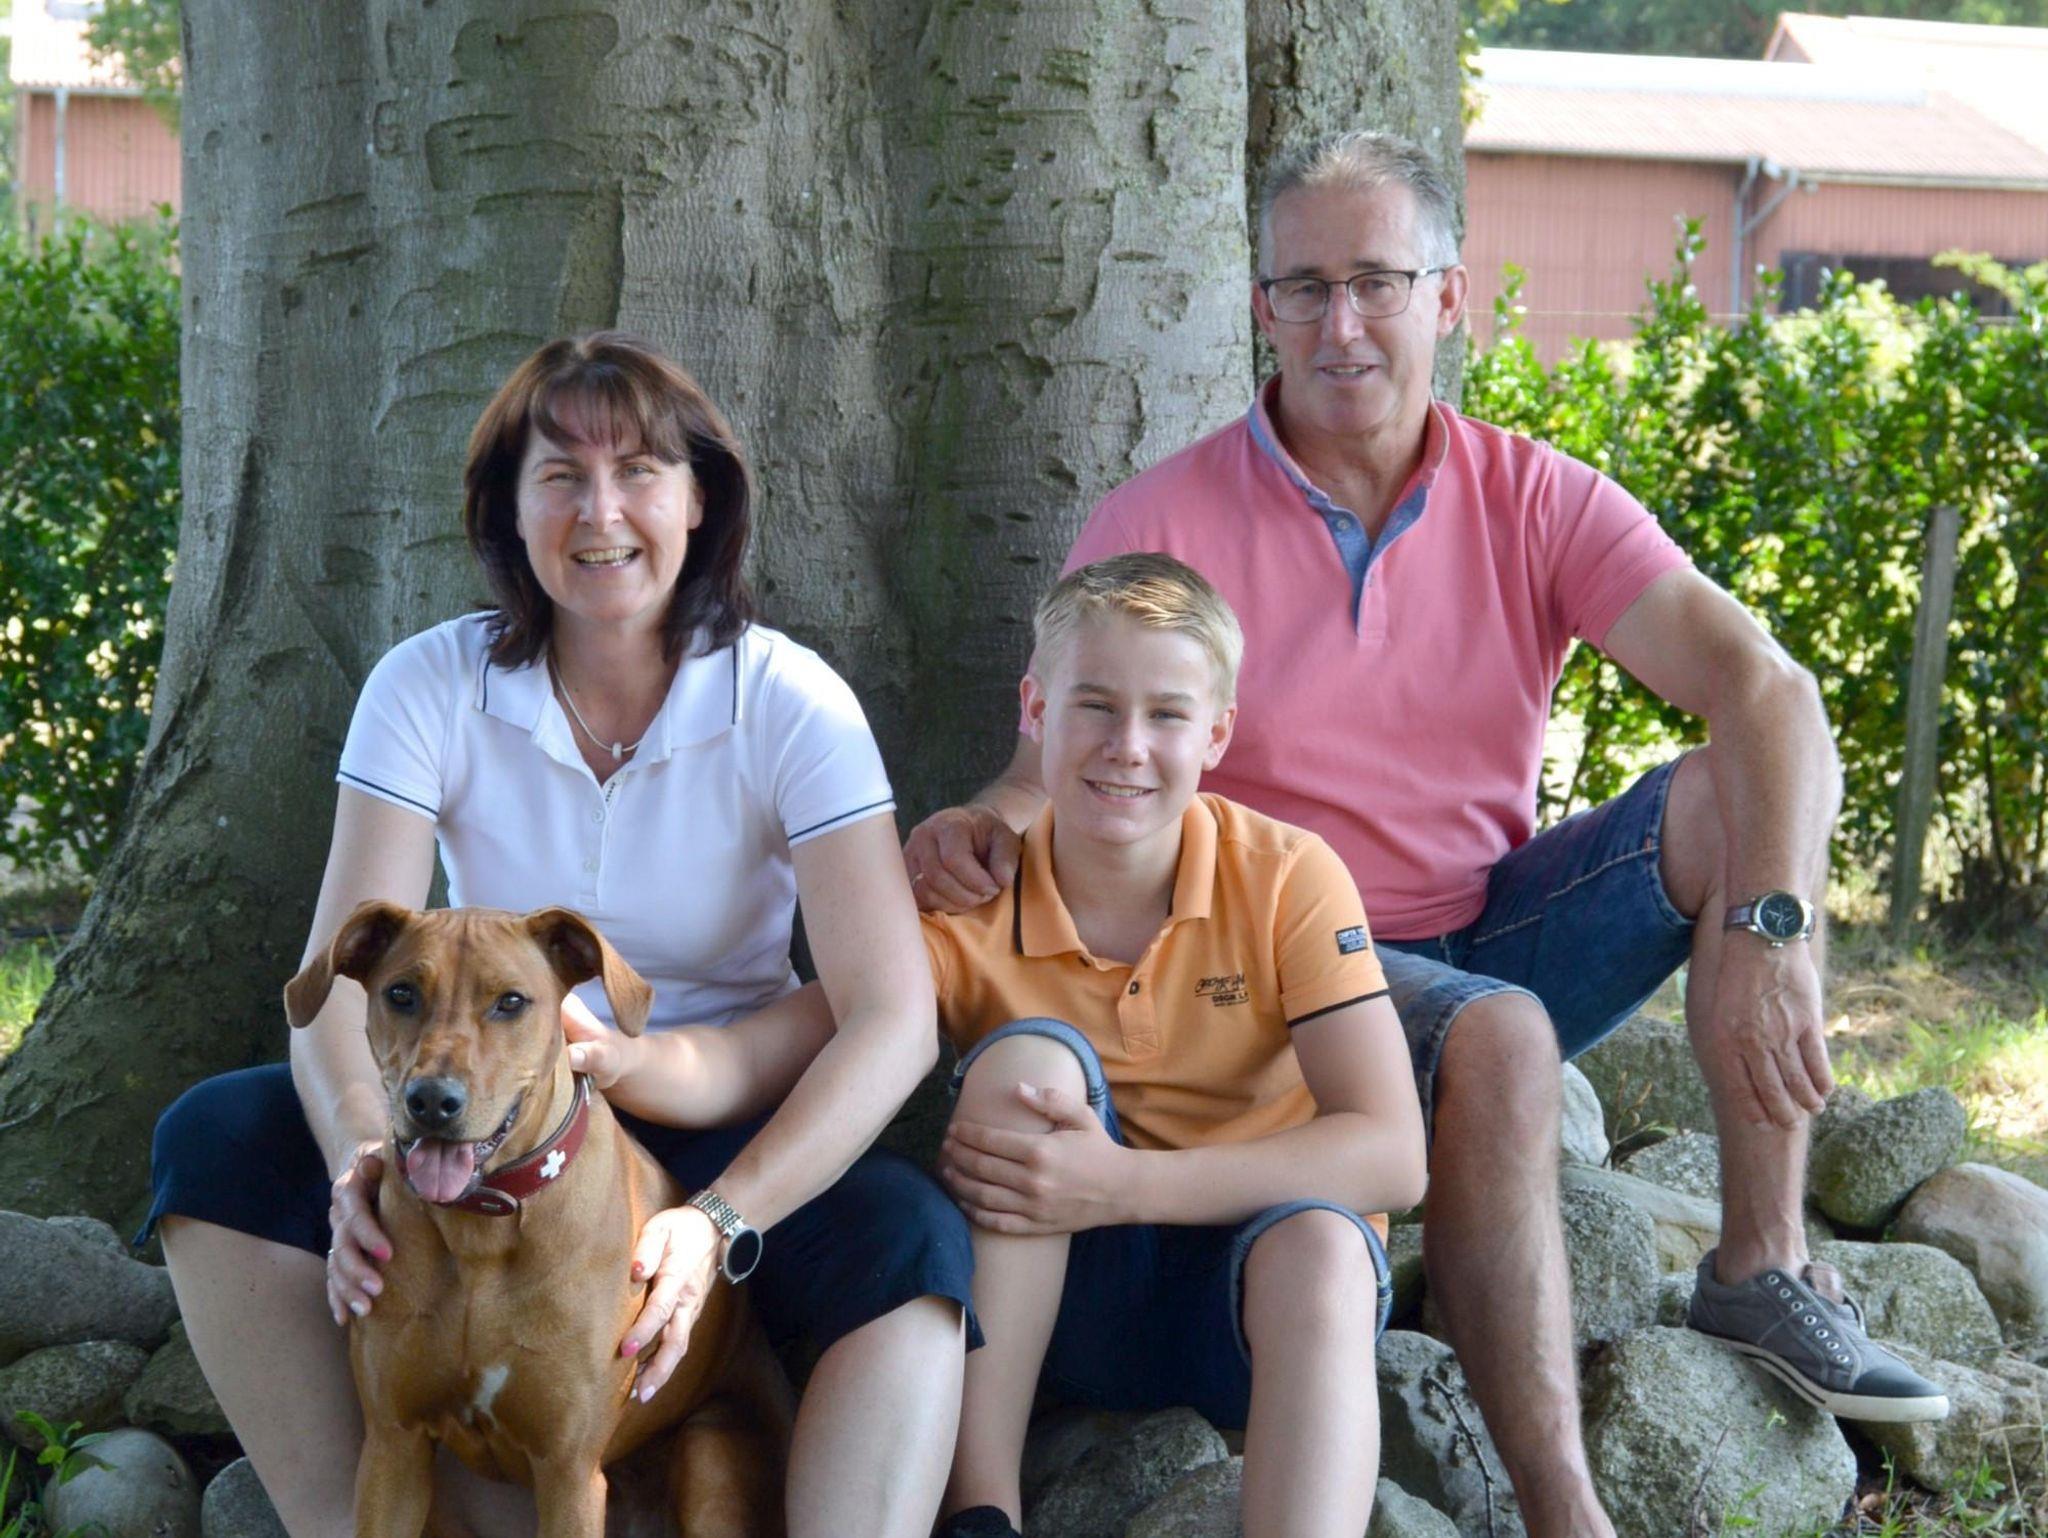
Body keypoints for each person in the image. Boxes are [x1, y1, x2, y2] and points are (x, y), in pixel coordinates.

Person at [904, 133, 1947, 1538]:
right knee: (1499, 1037)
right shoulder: (1165, 514)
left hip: (1491, 918)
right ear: (1262, 306)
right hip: (1285, 964)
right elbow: (1078, 746)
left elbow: (1771, 690)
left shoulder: (1536, 494)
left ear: (1448, 297)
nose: (1341, 323)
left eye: (1378, 282)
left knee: (1728, 795)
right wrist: (982, 822)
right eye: (1305, 286)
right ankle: (1563, 1507)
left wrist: (1775, 927)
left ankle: (1758, 1262)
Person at [146, 332, 972, 1538]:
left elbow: (894, 1015)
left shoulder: (789, 698)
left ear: (699, 497)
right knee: (212, 1138)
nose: (601, 511)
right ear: (507, 508)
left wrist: (720, 1217)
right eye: (560, 476)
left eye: (638, 470)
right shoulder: (428, 684)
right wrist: (359, 1160)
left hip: (713, 1110)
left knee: (911, 1240)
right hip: (486, 1097)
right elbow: (334, 989)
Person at [911, 554, 1424, 1538]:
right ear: (1035, 708)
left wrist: (1123, 1184)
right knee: (1028, 1068)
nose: (1128, 747)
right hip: (1058, 1310)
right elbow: (816, 1038)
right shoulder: (968, 898)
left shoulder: (1286, 875)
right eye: (1095, 705)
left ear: (1217, 733)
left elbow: (1393, 1153)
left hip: (1260, 1312)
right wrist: (636, 1055)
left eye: (1168, 715)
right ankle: (980, 1511)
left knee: (1326, 1242)